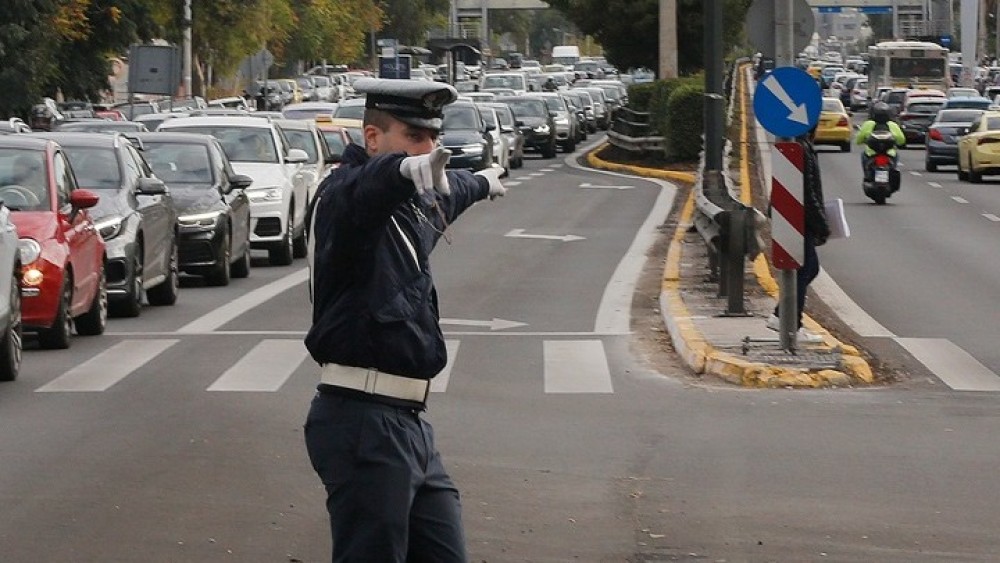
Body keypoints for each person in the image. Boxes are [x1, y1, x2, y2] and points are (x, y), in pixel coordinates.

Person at [303, 77, 506, 562]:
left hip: (408, 423)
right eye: (414, 137)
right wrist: (401, 170)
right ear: (373, 139)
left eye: (433, 138)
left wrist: (480, 182)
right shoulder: (345, 199)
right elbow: (368, 187)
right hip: (361, 418)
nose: (429, 148)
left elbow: (447, 191)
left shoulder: (413, 203)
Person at [766, 126, 830, 344]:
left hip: (795, 218)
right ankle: (791, 324)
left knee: (807, 269)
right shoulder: (801, 149)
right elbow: (808, 194)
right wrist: (822, 224)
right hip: (799, 221)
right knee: (805, 270)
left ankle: (782, 316)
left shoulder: (799, 147)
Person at [854, 101, 904, 183]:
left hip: (871, 153)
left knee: (863, 155)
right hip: (890, 153)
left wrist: (863, 140)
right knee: (896, 157)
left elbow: (858, 140)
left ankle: (867, 175)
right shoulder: (892, 125)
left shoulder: (868, 124)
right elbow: (901, 140)